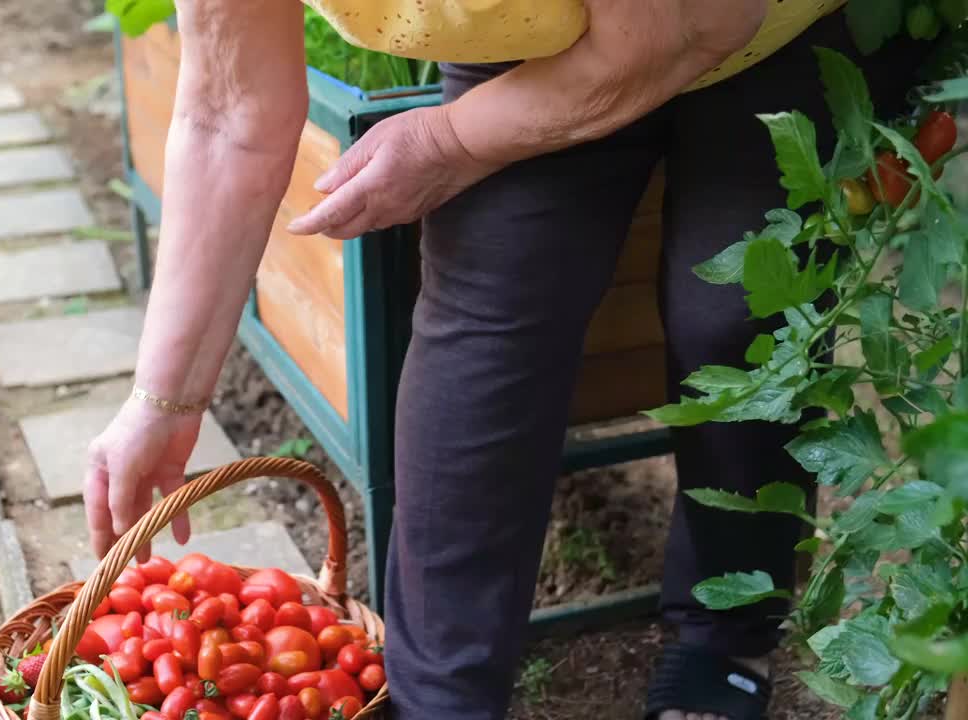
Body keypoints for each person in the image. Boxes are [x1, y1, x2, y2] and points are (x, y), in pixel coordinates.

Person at [82, 2, 927, 718]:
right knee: (491, 307)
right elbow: (227, 112)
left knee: (739, 315)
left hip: (758, 20)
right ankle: (442, 693)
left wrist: (452, 139)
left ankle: (725, 634)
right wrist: (164, 399)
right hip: (544, 30)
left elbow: (673, 30)